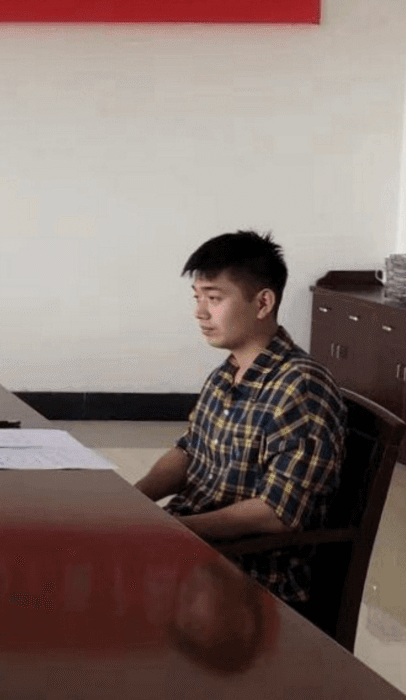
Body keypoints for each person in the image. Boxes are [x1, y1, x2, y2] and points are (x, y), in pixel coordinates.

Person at [135, 230, 346, 609]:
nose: (200, 312)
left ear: (263, 302)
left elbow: (278, 512)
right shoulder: (226, 375)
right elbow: (188, 453)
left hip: (248, 575)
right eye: (198, 298)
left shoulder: (300, 387)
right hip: (196, 550)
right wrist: (135, 501)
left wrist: (178, 529)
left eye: (214, 298)